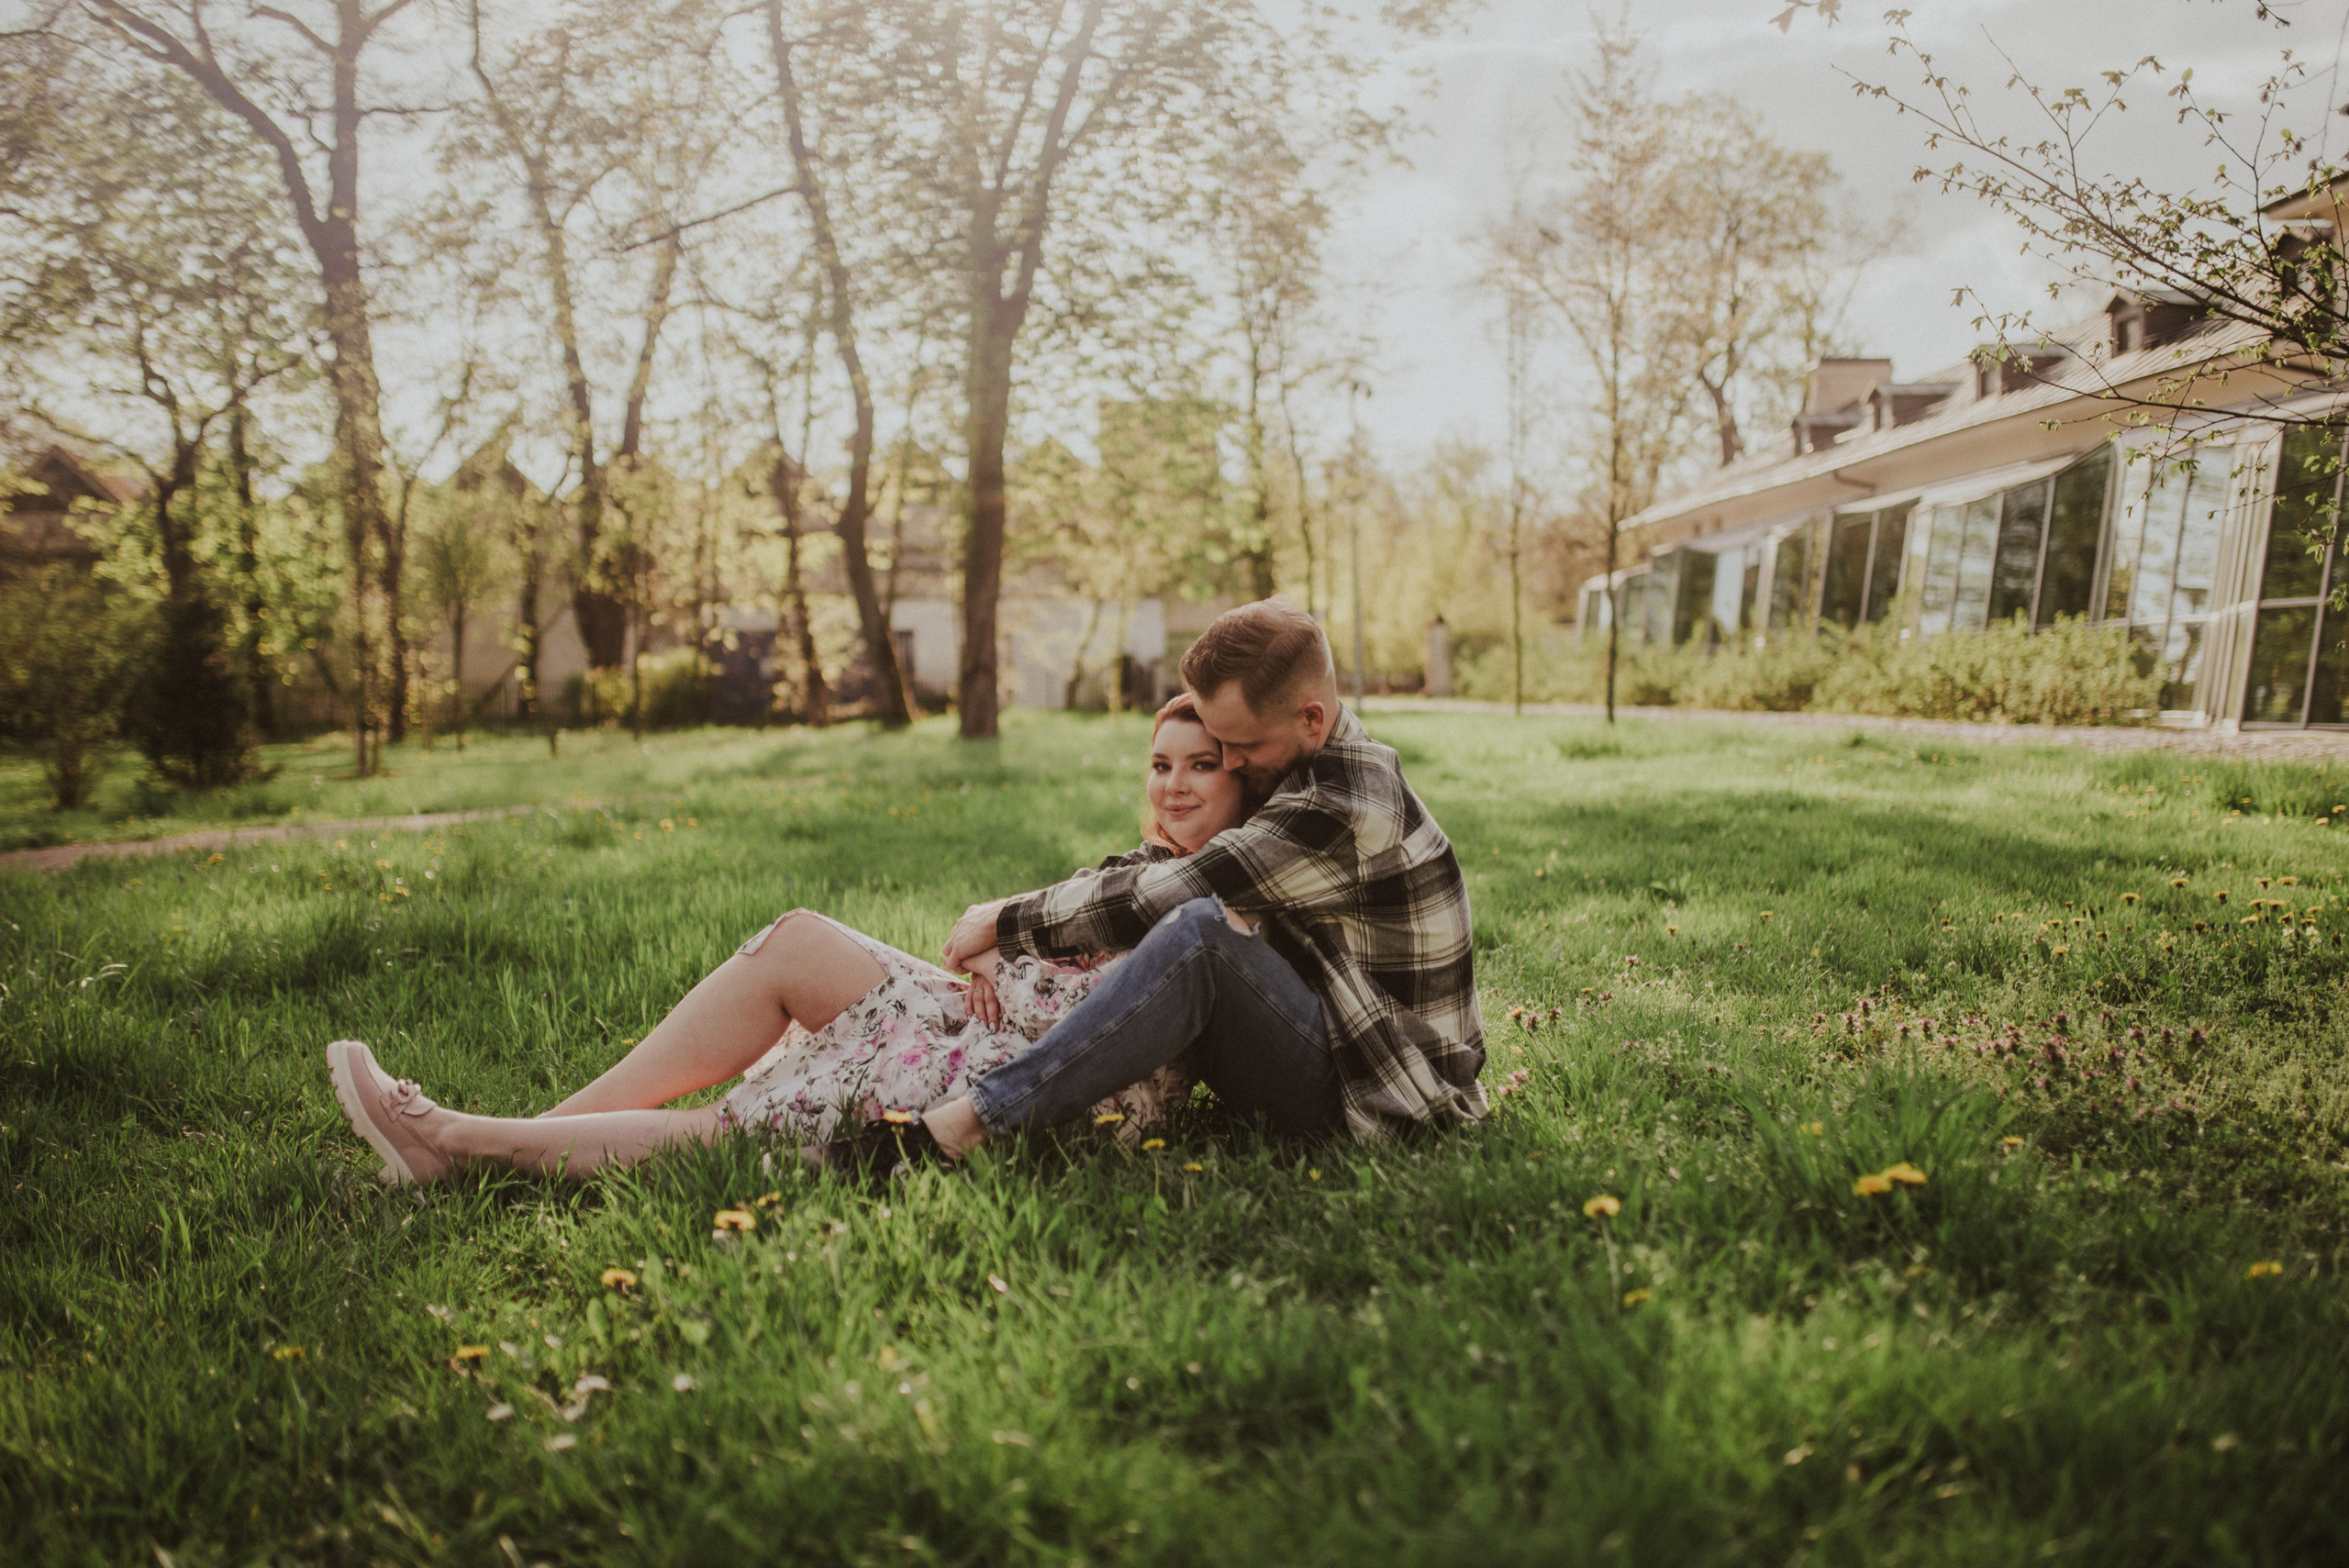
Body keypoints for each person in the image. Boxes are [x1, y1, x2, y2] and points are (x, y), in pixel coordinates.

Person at [326, 694, 1247, 1184]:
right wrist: (988, 942)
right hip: (969, 1027)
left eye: (1202, 765)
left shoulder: (1230, 897)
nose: (1172, 784)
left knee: (725, 1132)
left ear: (1246, 784)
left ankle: (453, 1136)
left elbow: (1108, 1009)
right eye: (1161, 763)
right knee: (795, 939)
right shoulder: (1138, 864)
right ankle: (527, 1135)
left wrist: (998, 940)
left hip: (1006, 1085)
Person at [864, 597, 1486, 1171]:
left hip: (1390, 1097)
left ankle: (967, 1125)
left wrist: (1007, 920)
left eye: (1239, 745)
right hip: (1344, 1044)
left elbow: (1168, 892)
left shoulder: (1343, 804)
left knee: (1202, 934)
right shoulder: (1305, 759)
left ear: (1312, 718)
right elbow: (1145, 867)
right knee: (1192, 930)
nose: (1232, 761)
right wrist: (1018, 931)